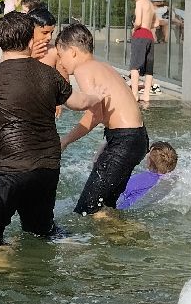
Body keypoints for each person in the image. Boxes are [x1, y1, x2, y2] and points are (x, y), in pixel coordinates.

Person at [0, 11, 96, 247]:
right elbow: (78, 103)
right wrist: (101, 96)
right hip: (45, 171)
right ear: (31, 42)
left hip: (4, 173)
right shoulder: (49, 75)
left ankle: (3, 269)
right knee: (40, 232)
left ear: (0, 42)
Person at [54, 21, 149, 217]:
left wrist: (65, 141)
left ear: (72, 51)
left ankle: (136, 236)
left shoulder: (83, 70)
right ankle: (123, 238)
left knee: (86, 210)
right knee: (104, 207)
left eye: (60, 56)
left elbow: (95, 114)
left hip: (124, 140)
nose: (61, 63)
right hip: (135, 138)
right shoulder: (103, 66)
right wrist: (107, 145)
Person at [117, 142, 178, 210]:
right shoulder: (172, 179)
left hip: (126, 208)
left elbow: (117, 195)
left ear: (149, 161)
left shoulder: (138, 179)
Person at [128, 0, 160, 101]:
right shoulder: (151, 6)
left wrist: (134, 28)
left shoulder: (139, 3)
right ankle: (146, 95)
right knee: (148, 68)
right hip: (149, 37)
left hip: (140, 35)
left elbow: (138, 21)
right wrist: (148, 26)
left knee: (134, 66)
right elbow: (156, 23)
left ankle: (135, 93)